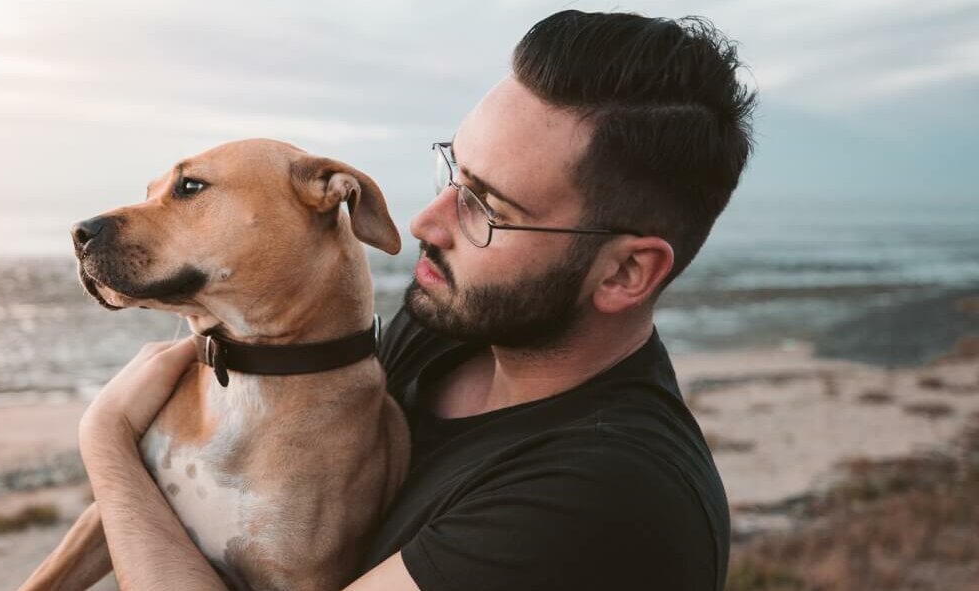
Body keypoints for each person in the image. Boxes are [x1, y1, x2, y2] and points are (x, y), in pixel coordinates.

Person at [79, 9, 755, 591]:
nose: (428, 223)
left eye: (486, 209)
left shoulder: (604, 496)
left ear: (626, 273)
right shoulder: (457, 328)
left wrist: (108, 442)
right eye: (454, 172)